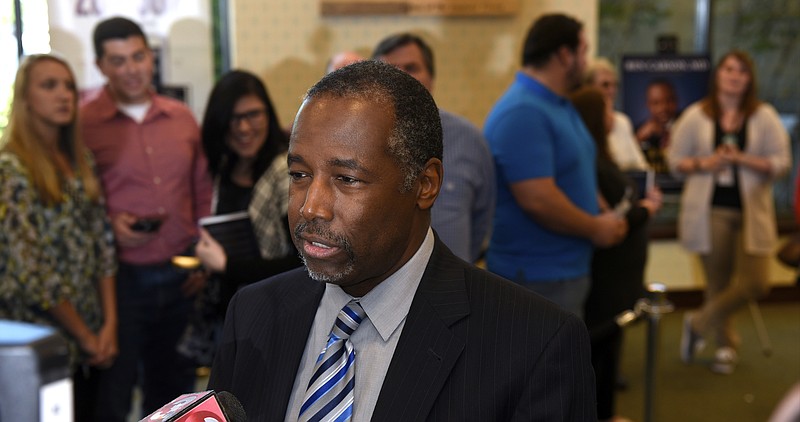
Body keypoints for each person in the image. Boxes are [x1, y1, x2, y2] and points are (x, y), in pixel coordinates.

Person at [208, 60, 596, 421]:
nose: (311, 208)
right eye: (299, 175)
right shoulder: (253, 314)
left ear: (425, 185)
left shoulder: (534, 344)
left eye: (346, 179)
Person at [79, 17, 213, 420]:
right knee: (114, 394)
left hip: (182, 273)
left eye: (138, 56)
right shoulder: (83, 123)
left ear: (149, 57)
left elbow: (202, 192)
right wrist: (108, 223)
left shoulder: (181, 117)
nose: (132, 68)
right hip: (118, 281)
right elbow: (74, 204)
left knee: (174, 392)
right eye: (118, 61)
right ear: (101, 65)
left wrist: (204, 258)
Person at [483, 13, 626, 317]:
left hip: (563, 269)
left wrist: (602, 210)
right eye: (584, 51)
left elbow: (577, 169)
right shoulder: (523, 110)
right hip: (537, 276)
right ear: (564, 54)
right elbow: (538, 199)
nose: (587, 61)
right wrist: (595, 228)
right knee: (541, 364)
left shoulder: (557, 103)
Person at [0, 54, 117, 421]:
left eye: (68, 85)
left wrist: (109, 326)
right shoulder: (11, 169)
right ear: (26, 98)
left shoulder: (78, 158)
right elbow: (32, 273)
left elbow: (103, 246)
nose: (64, 94)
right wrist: (84, 335)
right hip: (39, 343)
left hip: (92, 338)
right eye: (49, 86)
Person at [669, 50, 790, 375]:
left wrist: (743, 159)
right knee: (718, 283)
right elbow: (674, 161)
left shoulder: (764, 116)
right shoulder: (696, 115)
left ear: (749, 79)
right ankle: (726, 345)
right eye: (728, 69)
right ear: (718, 76)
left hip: (753, 211)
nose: (735, 76)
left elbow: (782, 163)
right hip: (711, 209)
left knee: (756, 283)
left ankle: (698, 322)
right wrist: (705, 163)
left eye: (742, 71)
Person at [181, 70, 301, 365]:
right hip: (229, 315)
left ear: (268, 114)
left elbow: (302, 262)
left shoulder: (284, 171)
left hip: (274, 317)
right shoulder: (224, 168)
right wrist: (207, 268)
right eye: (234, 119)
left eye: (253, 115)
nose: (244, 128)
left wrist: (227, 266)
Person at [569, 86, 662, 422]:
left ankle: (606, 413)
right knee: (598, 353)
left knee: (609, 350)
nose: (614, 116)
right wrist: (648, 209)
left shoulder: (602, 154)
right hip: (606, 275)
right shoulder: (588, 160)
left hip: (619, 277)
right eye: (607, 109)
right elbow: (612, 219)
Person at [372, 32, 495, 262]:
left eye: (412, 67)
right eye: (390, 69)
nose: (402, 78)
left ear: (432, 78)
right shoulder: (357, 141)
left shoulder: (469, 139)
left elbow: (483, 217)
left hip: (454, 286)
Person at [585, 58, 650, 171]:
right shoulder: (581, 122)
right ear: (588, 87)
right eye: (605, 85)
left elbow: (640, 164)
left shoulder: (622, 121)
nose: (611, 91)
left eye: (614, 85)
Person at [636, 78, 679, 173]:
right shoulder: (639, 131)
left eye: (668, 101)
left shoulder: (687, 126)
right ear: (648, 105)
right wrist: (638, 139)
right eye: (656, 103)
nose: (663, 108)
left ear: (676, 101)